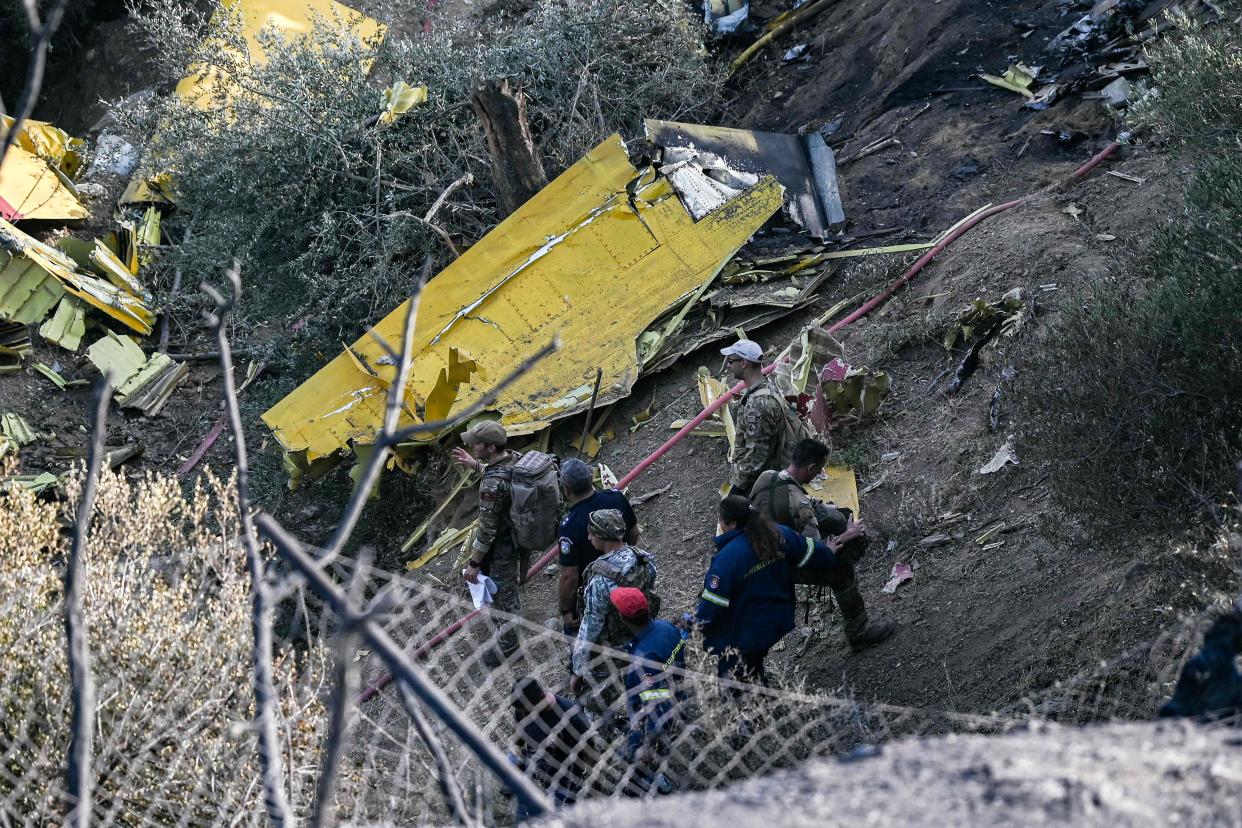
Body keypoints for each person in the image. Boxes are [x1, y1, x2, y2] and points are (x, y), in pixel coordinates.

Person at [695, 495, 881, 686]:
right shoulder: (778, 533)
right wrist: (835, 545)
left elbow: (711, 607)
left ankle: (755, 703)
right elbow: (812, 552)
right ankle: (758, 685)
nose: (720, 524)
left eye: (721, 520)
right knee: (753, 664)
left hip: (747, 632)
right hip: (777, 618)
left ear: (732, 524)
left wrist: (695, 626)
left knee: (734, 678)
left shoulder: (727, 559)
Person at [452, 420, 523, 666]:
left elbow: (486, 530)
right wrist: (476, 466)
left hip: (502, 545)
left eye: (477, 444)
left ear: (491, 448)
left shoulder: (491, 485)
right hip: (515, 535)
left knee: (502, 596)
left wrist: (473, 564)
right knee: (507, 591)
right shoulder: (514, 458)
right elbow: (499, 474)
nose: (473, 446)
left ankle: (510, 647)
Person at [570, 510, 659, 703]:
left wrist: (577, 669)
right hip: (642, 637)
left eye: (591, 533)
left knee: (593, 704)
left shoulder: (599, 579)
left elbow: (590, 626)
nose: (588, 537)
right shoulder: (644, 558)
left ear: (602, 535)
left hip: (612, 653)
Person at [612, 587, 683, 795]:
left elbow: (656, 703)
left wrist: (647, 742)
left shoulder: (643, 659)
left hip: (653, 716)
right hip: (677, 693)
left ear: (622, 618)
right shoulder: (666, 628)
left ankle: (652, 785)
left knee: (643, 757)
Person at [557, 458, 639, 637]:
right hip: (629, 578)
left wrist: (566, 611)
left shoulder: (569, 526)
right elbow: (634, 533)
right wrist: (625, 558)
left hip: (593, 594)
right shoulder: (617, 498)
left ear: (566, 489)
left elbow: (569, 576)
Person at [509, 676, 598, 817]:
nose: (523, 713)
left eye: (526, 710)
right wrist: (514, 766)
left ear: (540, 699)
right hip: (535, 759)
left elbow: (591, 750)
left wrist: (591, 782)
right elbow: (517, 738)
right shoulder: (524, 707)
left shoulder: (570, 716)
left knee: (560, 815)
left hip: (565, 774)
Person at [721, 339, 792, 493]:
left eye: (731, 361)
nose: (728, 365)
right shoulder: (766, 387)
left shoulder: (758, 405)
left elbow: (756, 457)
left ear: (744, 363)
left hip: (762, 486)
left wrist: (737, 490)